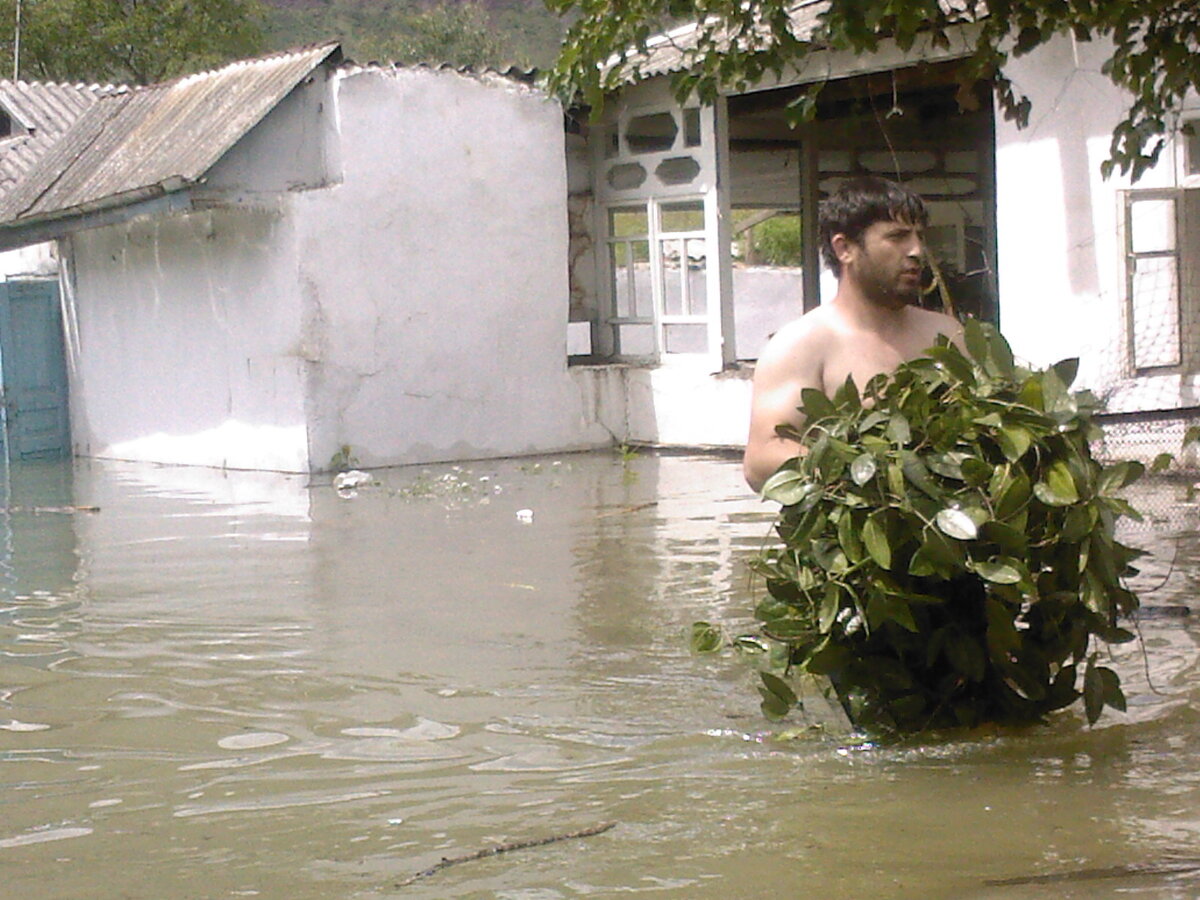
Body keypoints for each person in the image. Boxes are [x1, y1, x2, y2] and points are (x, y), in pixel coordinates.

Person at [743, 176, 964, 492]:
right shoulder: (802, 344)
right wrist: (872, 472)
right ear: (845, 248)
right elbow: (761, 459)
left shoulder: (948, 335)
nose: (917, 250)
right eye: (897, 237)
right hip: (855, 532)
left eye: (919, 236)